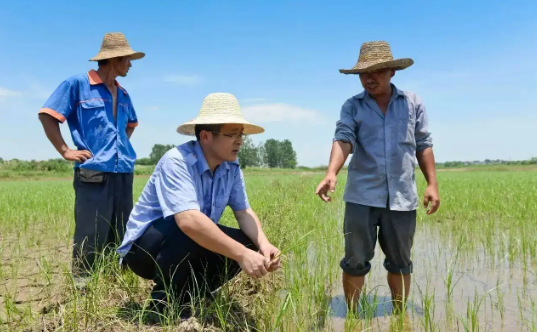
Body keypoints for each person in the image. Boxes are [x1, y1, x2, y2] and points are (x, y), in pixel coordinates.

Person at [117, 92, 281, 318]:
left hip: (187, 242)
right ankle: (161, 304)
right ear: (205, 136)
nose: (240, 141)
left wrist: (263, 245)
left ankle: (189, 294)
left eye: (241, 135)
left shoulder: (231, 167)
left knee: (247, 242)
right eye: (231, 134)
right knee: (189, 227)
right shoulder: (177, 161)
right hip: (146, 251)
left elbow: (243, 212)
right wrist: (241, 255)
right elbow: (188, 221)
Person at [315, 41, 440, 313]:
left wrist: (432, 183)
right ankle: (351, 315)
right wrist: (331, 172)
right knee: (355, 260)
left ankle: (398, 317)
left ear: (392, 72)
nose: (369, 79)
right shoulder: (353, 106)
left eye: (377, 72)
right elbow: (344, 138)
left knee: (400, 261)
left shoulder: (412, 103)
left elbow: (423, 143)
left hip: (402, 198)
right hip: (362, 196)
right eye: (364, 73)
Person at [38, 32, 144, 286]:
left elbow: (131, 124)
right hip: (93, 173)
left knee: (121, 230)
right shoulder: (78, 84)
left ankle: (114, 283)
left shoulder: (124, 94)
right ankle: (83, 288)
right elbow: (47, 114)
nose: (130, 64)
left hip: (123, 172)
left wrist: (118, 146)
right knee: (90, 232)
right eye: (128, 59)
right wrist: (65, 150)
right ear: (115, 59)